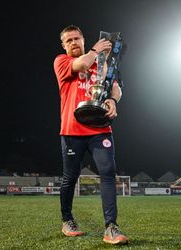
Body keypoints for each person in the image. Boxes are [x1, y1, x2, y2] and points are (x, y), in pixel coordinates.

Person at [53, 25, 129, 245]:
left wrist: (113, 100)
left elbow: (117, 87)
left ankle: (111, 227)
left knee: (107, 173)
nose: (74, 43)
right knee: (70, 178)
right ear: (64, 45)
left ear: (83, 39)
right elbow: (82, 63)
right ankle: (67, 219)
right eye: (69, 40)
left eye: (77, 38)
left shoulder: (102, 63)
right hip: (71, 131)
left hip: (99, 128)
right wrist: (95, 51)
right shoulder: (62, 61)